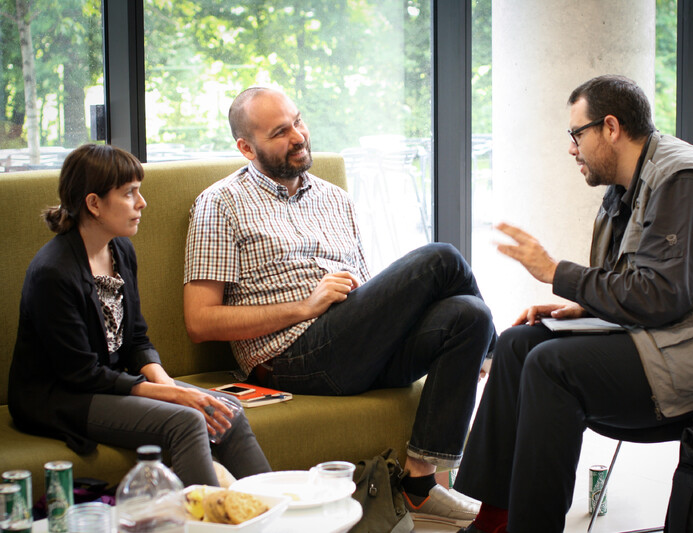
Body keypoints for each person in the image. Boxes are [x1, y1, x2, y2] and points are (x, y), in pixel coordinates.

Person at [452, 75, 693, 533]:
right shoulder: (628, 186)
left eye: (576, 134)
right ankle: (494, 521)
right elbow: (644, 282)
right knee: (519, 344)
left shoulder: (683, 180)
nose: (571, 148)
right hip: (690, 326)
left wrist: (556, 272)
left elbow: (661, 297)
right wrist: (586, 308)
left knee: (552, 367)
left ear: (611, 127)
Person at [183, 86, 496, 525]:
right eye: (279, 132)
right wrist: (305, 307)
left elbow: (363, 290)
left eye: (298, 121)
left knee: (469, 315)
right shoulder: (220, 203)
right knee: (441, 257)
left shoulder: (335, 198)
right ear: (246, 148)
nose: (298, 136)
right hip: (291, 357)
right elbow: (200, 322)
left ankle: (420, 486)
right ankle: (497, 358)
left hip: (354, 348)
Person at [8, 144, 271, 487]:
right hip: (64, 397)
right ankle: (205, 513)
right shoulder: (54, 273)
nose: (142, 202)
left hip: (109, 382)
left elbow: (135, 340)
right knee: (187, 420)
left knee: (226, 410)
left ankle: (272, 506)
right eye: (129, 193)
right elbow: (82, 375)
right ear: (94, 203)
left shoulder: (120, 249)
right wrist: (177, 396)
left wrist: (167, 384)